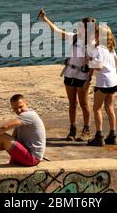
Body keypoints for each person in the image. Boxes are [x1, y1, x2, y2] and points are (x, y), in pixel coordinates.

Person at [38, 9, 95, 142]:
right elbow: (57, 31)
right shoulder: (75, 37)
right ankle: (72, 129)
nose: (79, 27)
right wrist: (44, 19)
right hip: (69, 74)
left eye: (82, 26)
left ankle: (86, 129)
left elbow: (93, 64)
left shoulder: (92, 44)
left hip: (82, 76)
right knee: (72, 104)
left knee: (84, 104)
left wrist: (89, 79)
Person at [86, 25, 117, 146]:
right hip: (113, 81)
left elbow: (99, 67)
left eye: (96, 33)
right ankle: (113, 135)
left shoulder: (99, 48)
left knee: (97, 108)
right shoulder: (110, 48)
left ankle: (99, 136)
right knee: (110, 108)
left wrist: (88, 61)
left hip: (103, 82)